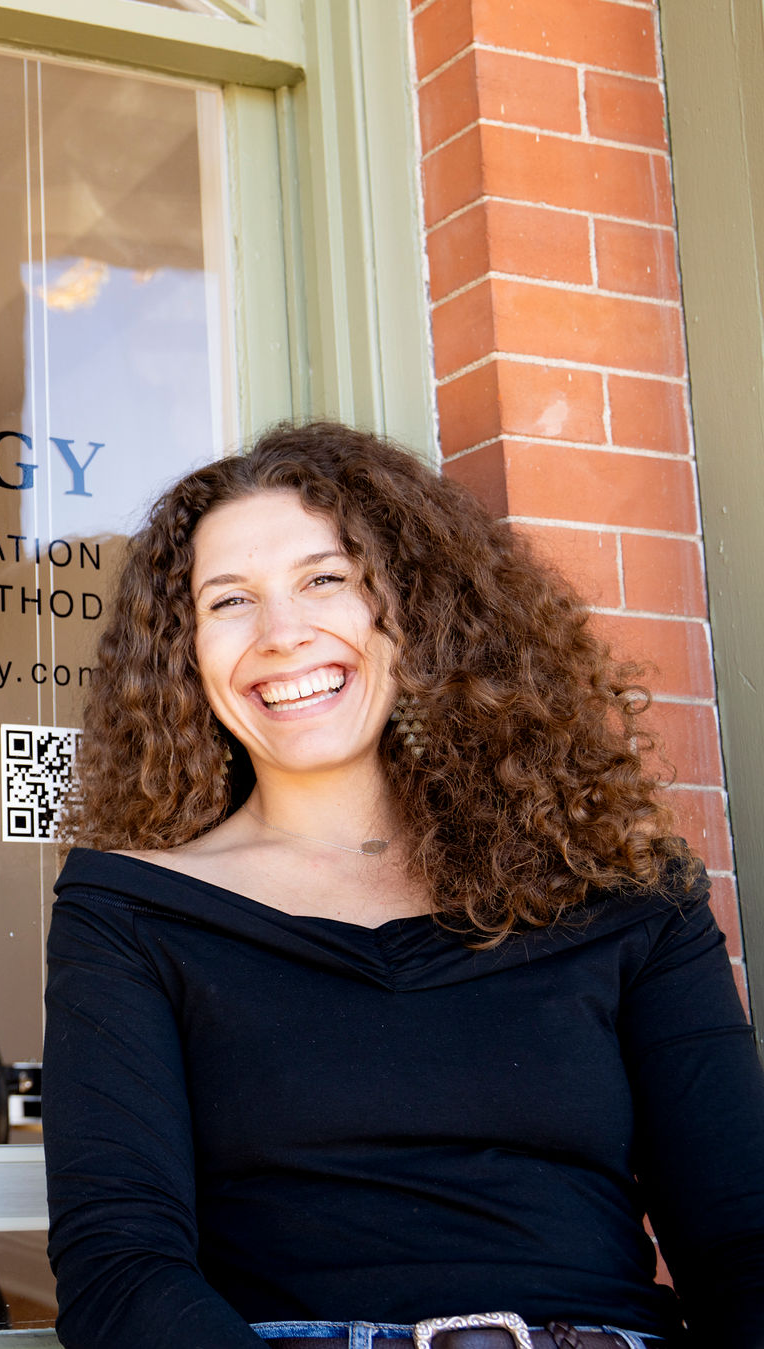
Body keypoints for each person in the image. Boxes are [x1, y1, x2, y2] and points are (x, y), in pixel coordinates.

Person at [43, 423, 764, 1348]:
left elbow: (743, 1245)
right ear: (185, 654)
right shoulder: (131, 913)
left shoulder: (620, 891)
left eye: (324, 579)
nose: (282, 633)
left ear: (414, 609)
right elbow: (121, 1271)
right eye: (229, 601)